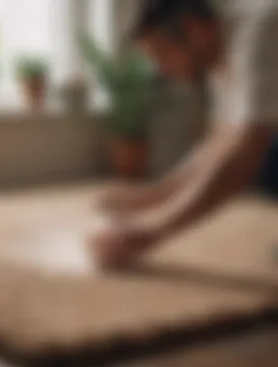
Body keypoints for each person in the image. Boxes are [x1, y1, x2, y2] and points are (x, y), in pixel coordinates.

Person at [91, 0, 278, 268]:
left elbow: (246, 148)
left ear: (193, 30)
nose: (162, 70)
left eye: (162, 54)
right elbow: (222, 141)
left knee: (264, 155)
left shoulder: (260, 31)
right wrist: (155, 196)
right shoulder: (221, 55)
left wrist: (153, 231)